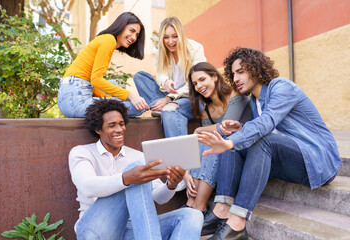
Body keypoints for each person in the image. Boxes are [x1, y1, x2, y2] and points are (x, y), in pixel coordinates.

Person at [197, 47, 342, 240]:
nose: (236, 78)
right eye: (233, 74)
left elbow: (267, 123)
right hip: (290, 161)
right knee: (236, 143)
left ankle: (237, 224)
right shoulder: (254, 102)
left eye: (241, 71)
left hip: (317, 160)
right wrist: (240, 129)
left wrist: (233, 141)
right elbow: (267, 128)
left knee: (250, 142)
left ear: (256, 68)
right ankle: (221, 211)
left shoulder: (281, 86)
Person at [69, 98, 204, 239]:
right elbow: (87, 186)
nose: (119, 129)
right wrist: (127, 178)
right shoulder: (82, 152)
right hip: (96, 231)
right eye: (112, 125)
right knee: (135, 169)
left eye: (121, 124)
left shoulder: (137, 156)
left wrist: (171, 185)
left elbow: (159, 198)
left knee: (192, 215)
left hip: (133, 230)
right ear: (98, 129)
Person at [183, 62, 251, 223]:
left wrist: (198, 130)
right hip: (224, 157)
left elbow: (225, 128)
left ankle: (198, 207)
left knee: (214, 140)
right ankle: (192, 203)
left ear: (214, 77)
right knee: (206, 141)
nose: (199, 86)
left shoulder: (236, 95)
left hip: (245, 152)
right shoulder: (207, 112)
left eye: (202, 79)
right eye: (195, 83)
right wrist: (186, 173)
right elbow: (205, 139)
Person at [58, 12, 149, 118]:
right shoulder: (109, 40)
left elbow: (93, 84)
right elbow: (96, 80)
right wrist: (130, 95)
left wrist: (118, 98)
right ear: (121, 26)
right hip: (76, 100)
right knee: (136, 108)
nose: (134, 37)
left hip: (70, 96)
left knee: (115, 85)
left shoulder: (106, 39)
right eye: (131, 31)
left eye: (137, 35)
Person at [133, 16, 206, 137]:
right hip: (168, 96)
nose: (170, 42)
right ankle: (161, 107)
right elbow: (160, 75)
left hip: (190, 98)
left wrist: (169, 98)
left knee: (170, 110)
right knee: (139, 77)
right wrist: (165, 81)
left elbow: (197, 83)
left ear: (181, 35)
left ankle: (164, 109)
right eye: (166, 37)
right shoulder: (161, 52)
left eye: (175, 36)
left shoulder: (196, 48)